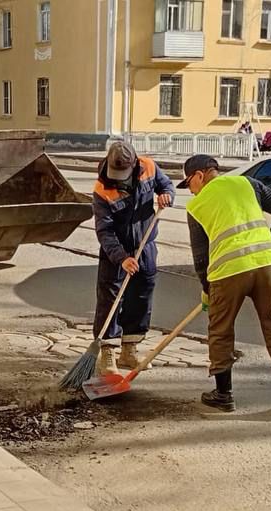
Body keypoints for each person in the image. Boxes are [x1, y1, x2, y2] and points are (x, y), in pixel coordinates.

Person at [179, 154, 271, 416]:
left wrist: (207, 288)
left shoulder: (197, 206)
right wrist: (269, 239)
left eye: (189, 182)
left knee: (220, 330)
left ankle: (224, 395)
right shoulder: (248, 183)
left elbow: (201, 257)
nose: (190, 190)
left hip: (229, 271)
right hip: (267, 264)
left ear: (200, 175)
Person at [91, 140, 176, 375]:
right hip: (116, 252)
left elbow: (166, 185)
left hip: (145, 245)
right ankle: (107, 353)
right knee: (110, 299)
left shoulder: (148, 166)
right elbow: (104, 231)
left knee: (141, 295)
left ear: (134, 163)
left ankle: (129, 349)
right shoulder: (102, 188)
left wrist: (167, 195)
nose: (118, 177)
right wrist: (121, 258)